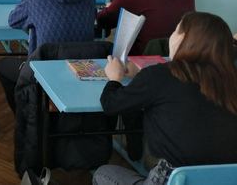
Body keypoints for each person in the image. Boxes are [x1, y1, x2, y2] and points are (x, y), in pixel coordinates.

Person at [93, 12, 237, 185]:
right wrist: (142, 74)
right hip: (226, 179)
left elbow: (111, 104)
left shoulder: (160, 76)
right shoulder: (231, 80)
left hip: (173, 179)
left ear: (183, 38)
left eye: (175, 30)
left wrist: (114, 78)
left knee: (103, 173)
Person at [0, 0, 95, 111]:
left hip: (44, 69)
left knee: (2, 66)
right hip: (81, 69)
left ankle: (26, 113)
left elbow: (13, 20)